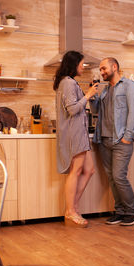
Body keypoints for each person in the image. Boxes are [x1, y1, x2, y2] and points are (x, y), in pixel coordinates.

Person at [89, 57, 134, 226]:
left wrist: (128, 136)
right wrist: (92, 97)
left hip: (121, 140)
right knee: (112, 178)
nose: (102, 72)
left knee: (119, 177)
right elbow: (97, 111)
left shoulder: (130, 86)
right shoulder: (105, 90)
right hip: (105, 140)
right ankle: (120, 212)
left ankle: (132, 212)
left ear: (114, 67)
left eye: (104, 69)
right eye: (101, 70)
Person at [53, 51, 98, 227]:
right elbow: (72, 109)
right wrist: (88, 95)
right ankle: (71, 211)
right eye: (81, 63)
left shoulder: (69, 82)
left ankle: (73, 207)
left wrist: (87, 94)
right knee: (76, 171)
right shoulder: (67, 83)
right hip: (74, 134)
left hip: (80, 133)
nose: (83, 66)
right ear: (74, 64)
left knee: (89, 170)